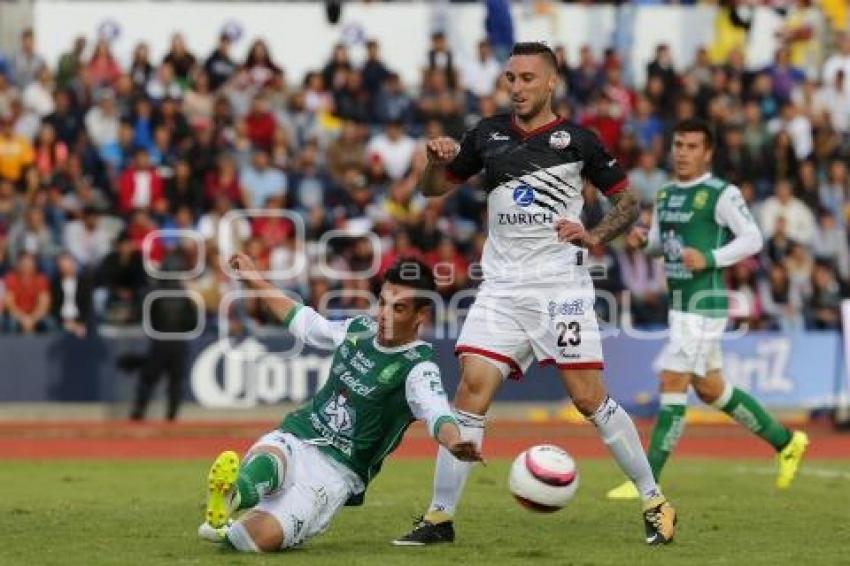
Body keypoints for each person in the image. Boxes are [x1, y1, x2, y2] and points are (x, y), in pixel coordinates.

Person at [393, 42, 676, 547]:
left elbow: (628, 203)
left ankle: (654, 500)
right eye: (511, 78)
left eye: (527, 78)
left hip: (560, 289)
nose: (517, 87)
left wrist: (594, 236)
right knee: (470, 392)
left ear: (550, 82)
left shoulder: (580, 142)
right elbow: (431, 190)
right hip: (501, 288)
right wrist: (435, 161)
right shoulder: (486, 135)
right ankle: (439, 518)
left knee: (589, 398)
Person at [196, 255, 481, 552]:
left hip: (336, 472)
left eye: (398, 309)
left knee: (254, 541)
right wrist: (254, 278)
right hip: (298, 435)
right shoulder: (358, 329)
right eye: (382, 303)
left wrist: (454, 442)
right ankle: (233, 495)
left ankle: (230, 528)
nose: (384, 314)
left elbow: (438, 414)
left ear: (420, 315)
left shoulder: (418, 368)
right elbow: (303, 321)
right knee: (270, 460)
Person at [606, 119, 809, 501]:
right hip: (680, 304)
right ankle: (787, 442)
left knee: (672, 379)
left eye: (692, 146)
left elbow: (752, 239)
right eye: (678, 144)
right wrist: (640, 243)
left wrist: (711, 256)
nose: (682, 152)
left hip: (704, 303)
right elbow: (659, 246)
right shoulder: (666, 195)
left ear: (708, 152)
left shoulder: (721, 193)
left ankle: (646, 484)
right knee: (712, 388)